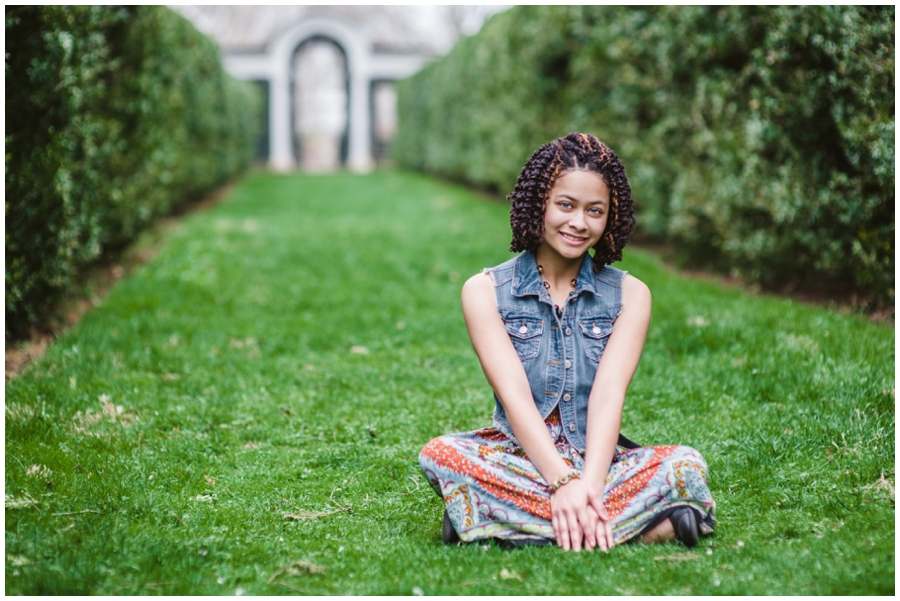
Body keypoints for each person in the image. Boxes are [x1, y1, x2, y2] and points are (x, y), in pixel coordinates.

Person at [418, 133, 716, 552]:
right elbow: (515, 397)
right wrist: (560, 481)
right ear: (539, 202)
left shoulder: (632, 295)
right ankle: (650, 528)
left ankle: (496, 522)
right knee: (441, 454)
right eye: (566, 205)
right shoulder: (484, 291)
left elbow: (609, 394)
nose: (579, 223)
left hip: (599, 460)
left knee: (686, 465)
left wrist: (587, 486)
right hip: (520, 457)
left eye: (595, 211)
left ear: (610, 218)